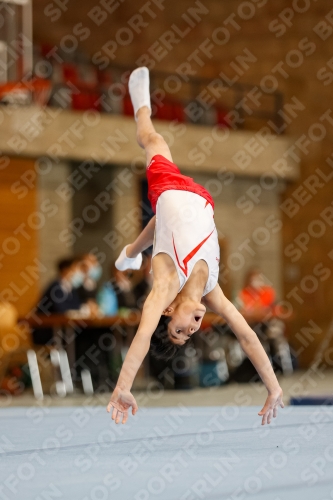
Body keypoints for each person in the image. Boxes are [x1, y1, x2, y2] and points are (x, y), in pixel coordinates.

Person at [107, 67, 284, 426]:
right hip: (201, 197)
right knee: (161, 223)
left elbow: (142, 337)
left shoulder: (164, 288)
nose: (191, 329)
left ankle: (141, 103)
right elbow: (247, 336)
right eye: (190, 334)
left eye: (180, 329)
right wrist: (274, 387)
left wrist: (123, 386)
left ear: (170, 311)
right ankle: (131, 251)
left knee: (153, 140)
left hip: (169, 190)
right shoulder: (212, 290)